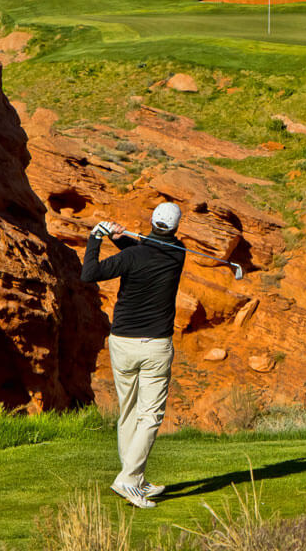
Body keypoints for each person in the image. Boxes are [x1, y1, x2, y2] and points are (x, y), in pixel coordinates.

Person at [81, 202, 186, 509]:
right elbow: (148, 252)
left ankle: (134, 479)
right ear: (176, 228)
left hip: (122, 343)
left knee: (129, 411)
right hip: (155, 346)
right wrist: (119, 237)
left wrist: (97, 238)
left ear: (152, 221)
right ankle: (129, 479)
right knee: (150, 415)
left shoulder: (132, 256)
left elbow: (90, 273)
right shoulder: (177, 253)